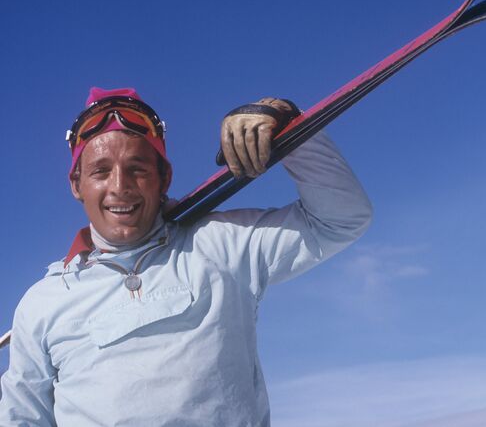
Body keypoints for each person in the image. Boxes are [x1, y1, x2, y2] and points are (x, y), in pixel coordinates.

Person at [0, 87, 372, 427]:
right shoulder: (42, 304)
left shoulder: (222, 245)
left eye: (138, 169)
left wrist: (290, 125)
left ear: (164, 178)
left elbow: (340, 220)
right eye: (100, 171)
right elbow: (22, 418)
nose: (120, 186)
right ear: (76, 184)